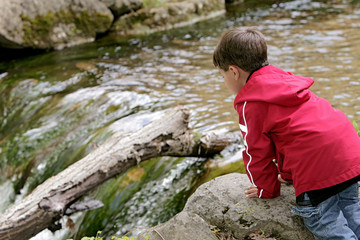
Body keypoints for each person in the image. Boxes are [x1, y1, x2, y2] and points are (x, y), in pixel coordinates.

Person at [213, 26, 360, 240]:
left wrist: (266, 189)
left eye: (222, 74)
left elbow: (256, 152)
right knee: (352, 212)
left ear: (234, 72)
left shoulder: (250, 102)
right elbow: (295, 133)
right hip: (349, 153)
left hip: (318, 168)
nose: (224, 80)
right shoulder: (285, 81)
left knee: (324, 223)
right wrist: (289, 175)